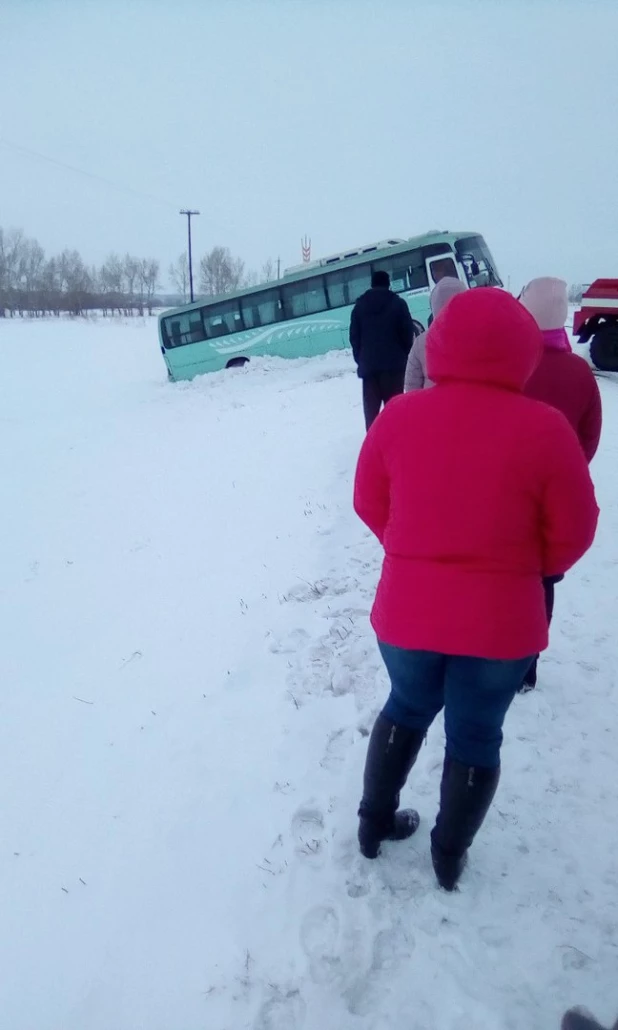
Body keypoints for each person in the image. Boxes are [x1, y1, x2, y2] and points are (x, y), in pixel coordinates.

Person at [353, 288, 598, 890]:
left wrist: (409, 551)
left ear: (436, 343)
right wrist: (525, 569)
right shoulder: (545, 428)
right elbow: (574, 531)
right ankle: (448, 855)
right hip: (501, 625)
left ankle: (373, 823)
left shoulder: (401, 416)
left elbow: (367, 501)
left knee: (405, 706)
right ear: (523, 351)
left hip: (407, 616)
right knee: (477, 733)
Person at [519, 277, 603, 690]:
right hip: (555, 499)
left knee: (508, 574)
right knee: (544, 578)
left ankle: (500, 657)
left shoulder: (513, 364)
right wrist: (570, 473)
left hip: (509, 495)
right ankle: (530, 663)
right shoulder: (579, 371)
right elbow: (591, 433)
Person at [349, 270, 415, 430]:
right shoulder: (399, 304)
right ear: (388, 284)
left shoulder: (358, 307)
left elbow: (354, 338)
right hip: (394, 369)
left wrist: (363, 359)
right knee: (396, 414)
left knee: (372, 419)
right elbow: (407, 333)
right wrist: (403, 356)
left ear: (372, 284)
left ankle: (375, 451)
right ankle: (398, 448)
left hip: (370, 372)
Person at [404, 277, 466, 391]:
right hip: (474, 406)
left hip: (433, 407)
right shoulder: (480, 337)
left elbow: (411, 389)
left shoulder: (420, 343)